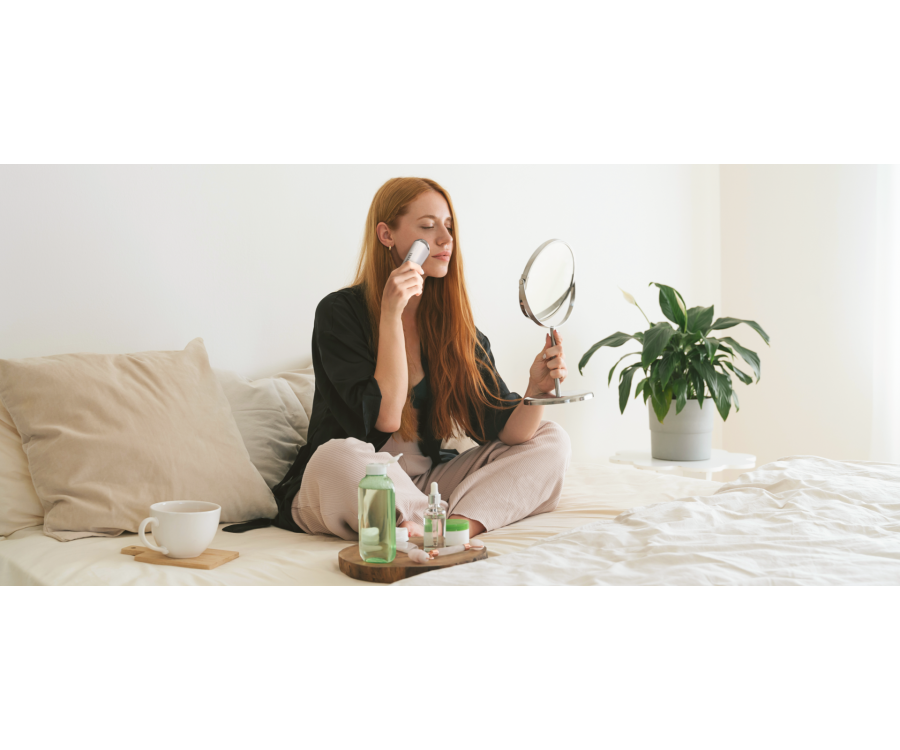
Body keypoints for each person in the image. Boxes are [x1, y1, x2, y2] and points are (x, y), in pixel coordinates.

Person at [225, 176, 571, 539]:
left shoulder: (455, 329)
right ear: (387, 234)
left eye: (449, 226)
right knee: (337, 455)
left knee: (552, 439)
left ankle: (452, 529)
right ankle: (420, 524)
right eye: (428, 226)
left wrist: (536, 390)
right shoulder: (339, 313)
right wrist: (391, 314)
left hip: (424, 483)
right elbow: (386, 418)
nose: (446, 239)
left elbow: (508, 431)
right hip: (348, 480)